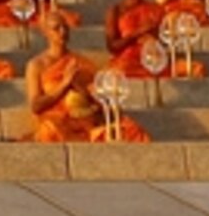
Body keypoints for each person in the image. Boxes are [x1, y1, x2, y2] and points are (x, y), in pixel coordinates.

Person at [26, 14, 145, 143]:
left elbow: (102, 102)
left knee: (131, 129)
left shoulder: (82, 63)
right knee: (49, 132)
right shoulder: (36, 65)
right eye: (56, 28)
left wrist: (82, 89)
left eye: (65, 27)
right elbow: (36, 106)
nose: (63, 32)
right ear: (45, 33)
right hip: (57, 122)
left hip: (86, 120)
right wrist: (65, 85)